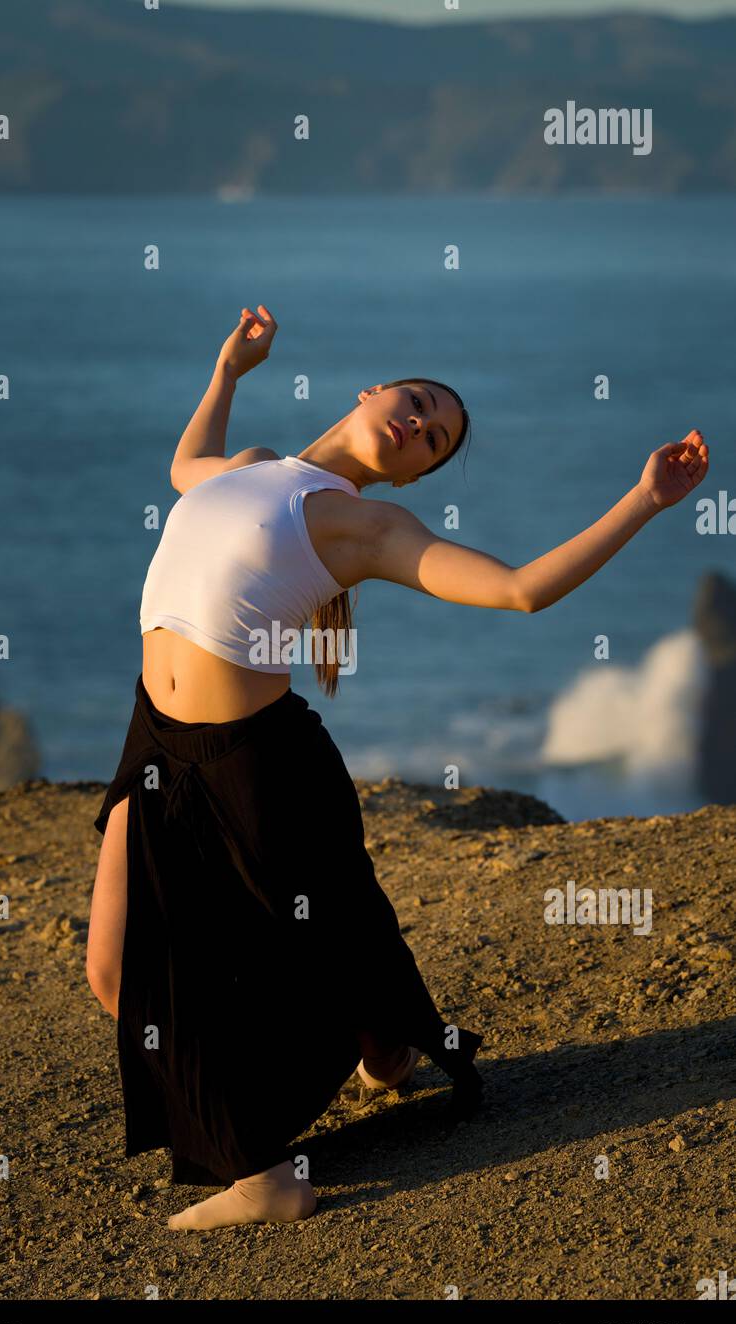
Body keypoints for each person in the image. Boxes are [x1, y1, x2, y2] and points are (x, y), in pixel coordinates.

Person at [87, 304, 710, 1232]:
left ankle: (265, 1175)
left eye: (434, 440)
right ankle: (385, 1047)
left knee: (300, 946)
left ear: (413, 471)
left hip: (253, 765)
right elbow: (184, 472)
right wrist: (228, 371)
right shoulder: (255, 468)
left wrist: (645, 500)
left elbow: (520, 589)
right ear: (372, 393)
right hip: (154, 743)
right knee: (112, 967)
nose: (420, 425)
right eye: (418, 403)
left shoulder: (364, 529)